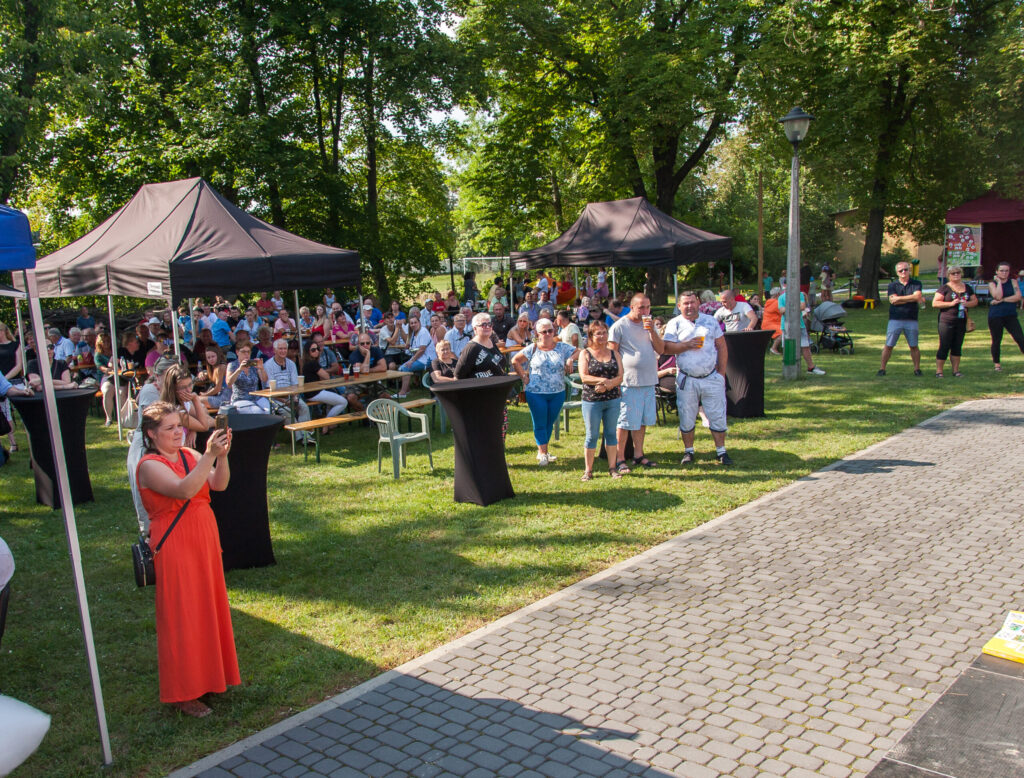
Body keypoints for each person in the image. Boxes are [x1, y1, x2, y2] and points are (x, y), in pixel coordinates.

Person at [135, 401, 239, 717]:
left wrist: (222, 456)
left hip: (204, 539)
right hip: (175, 545)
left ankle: (210, 677)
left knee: (207, 608)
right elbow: (183, 490)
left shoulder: (189, 455)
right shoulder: (149, 465)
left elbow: (219, 484)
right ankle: (184, 691)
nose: (178, 432)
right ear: (151, 434)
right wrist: (208, 455)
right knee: (183, 616)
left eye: (179, 426)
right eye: (169, 428)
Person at [662, 291, 732, 465]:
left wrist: (721, 373)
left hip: (711, 376)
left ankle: (721, 451)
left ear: (698, 302)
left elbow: (722, 346)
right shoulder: (674, 323)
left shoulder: (710, 321)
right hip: (687, 378)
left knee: (717, 414)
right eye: (685, 303)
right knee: (687, 416)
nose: (689, 306)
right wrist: (686, 345)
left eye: (692, 302)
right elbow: (666, 348)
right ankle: (689, 451)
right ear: (679, 306)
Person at [512, 317, 578, 465]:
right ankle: (542, 453)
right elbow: (515, 360)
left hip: (557, 392)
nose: (548, 334)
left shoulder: (562, 347)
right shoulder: (533, 348)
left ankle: (544, 451)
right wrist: (523, 376)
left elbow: (580, 351)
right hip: (536, 392)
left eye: (550, 331)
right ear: (537, 333)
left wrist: (570, 359)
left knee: (549, 422)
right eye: (544, 331)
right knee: (540, 422)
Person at [608, 294, 661, 471]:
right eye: (641, 307)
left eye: (648, 307)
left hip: (648, 380)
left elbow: (661, 349)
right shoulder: (620, 326)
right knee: (625, 422)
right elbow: (612, 355)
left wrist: (652, 331)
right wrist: (615, 380)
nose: (645, 311)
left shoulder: (650, 325)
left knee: (642, 421)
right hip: (629, 382)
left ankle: (639, 455)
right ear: (631, 307)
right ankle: (620, 458)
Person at [128, 356, 179, 533]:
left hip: (162, 444)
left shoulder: (170, 389)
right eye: (171, 376)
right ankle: (149, 535)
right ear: (158, 376)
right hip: (146, 445)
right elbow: (157, 421)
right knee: (146, 494)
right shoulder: (150, 391)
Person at [578, 320, 623, 481]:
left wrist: (608, 385)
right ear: (591, 336)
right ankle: (588, 470)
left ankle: (613, 468)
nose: (602, 336)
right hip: (592, 401)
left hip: (613, 400)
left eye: (604, 332)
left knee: (611, 434)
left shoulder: (614, 353)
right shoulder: (585, 353)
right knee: (592, 435)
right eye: (598, 333)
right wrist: (603, 381)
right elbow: (584, 377)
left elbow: (620, 376)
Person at [878, 261, 924, 376]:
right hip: (895, 319)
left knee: (914, 345)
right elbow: (893, 300)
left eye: (906, 269)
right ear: (897, 272)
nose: (903, 272)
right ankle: (882, 369)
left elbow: (917, 297)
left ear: (909, 270)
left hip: (911, 319)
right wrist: (911, 298)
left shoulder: (916, 283)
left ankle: (917, 369)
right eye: (900, 270)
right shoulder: (892, 285)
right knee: (889, 345)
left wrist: (900, 299)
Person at [264, 338, 313, 442]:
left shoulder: (291, 364)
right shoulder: (268, 365)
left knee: (304, 407)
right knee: (286, 412)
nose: (283, 351)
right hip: (276, 398)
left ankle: (307, 435)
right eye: (280, 349)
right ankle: (299, 438)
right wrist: (285, 401)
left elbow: (295, 384)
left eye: (285, 349)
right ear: (274, 350)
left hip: (291, 395)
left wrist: (294, 398)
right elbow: (269, 390)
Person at [933, 266, 977, 377]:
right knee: (944, 345)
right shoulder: (944, 288)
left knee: (957, 345)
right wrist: (951, 304)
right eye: (953, 273)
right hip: (947, 321)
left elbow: (975, 301)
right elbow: (935, 303)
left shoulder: (967, 287)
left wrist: (966, 304)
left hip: (961, 320)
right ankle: (939, 371)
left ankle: (956, 370)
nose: (956, 275)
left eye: (958, 272)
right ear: (949, 276)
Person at [158, 365, 214, 448]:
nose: (189, 390)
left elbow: (209, 418)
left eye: (190, 384)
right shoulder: (174, 410)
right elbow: (204, 426)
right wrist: (195, 399)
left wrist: (193, 428)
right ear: (173, 389)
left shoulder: (184, 403)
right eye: (183, 387)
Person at [778, 286, 826, 375]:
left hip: (799, 324)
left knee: (805, 346)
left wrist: (788, 308)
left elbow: (802, 306)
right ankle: (789, 369)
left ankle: (811, 367)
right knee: (788, 347)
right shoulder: (781, 297)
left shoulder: (799, 294)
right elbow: (781, 310)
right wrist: (795, 307)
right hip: (786, 326)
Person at [987, 262, 1024, 371]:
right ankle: (997, 364)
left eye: (1006, 271)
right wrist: (999, 283)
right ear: (997, 272)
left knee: (1020, 337)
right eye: (1002, 271)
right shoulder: (992, 284)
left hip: (1010, 315)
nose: (1004, 273)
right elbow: (997, 296)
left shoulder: (1013, 282)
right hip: (996, 316)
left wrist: (1003, 300)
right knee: (997, 340)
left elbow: (1018, 296)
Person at [301, 341, 349, 423]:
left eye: (317, 349)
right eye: (313, 350)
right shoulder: (312, 363)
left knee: (335, 397)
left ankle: (329, 424)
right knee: (343, 402)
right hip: (315, 393)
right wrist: (323, 372)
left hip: (313, 392)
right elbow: (326, 376)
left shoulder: (308, 363)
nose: (316, 351)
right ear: (308, 352)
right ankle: (326, 423)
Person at [455, 313, 507, 379]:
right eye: (483, 325)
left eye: (489, 324)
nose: (487, 327)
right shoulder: (472, 347)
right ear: (475, 329)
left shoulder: (490, 341)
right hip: (482, 384)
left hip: (500, 382)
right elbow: (458, 375)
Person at [394, 315, 433, 398]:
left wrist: (412, 361)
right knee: (400, 368)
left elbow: (422, 349)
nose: (413, 324)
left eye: (415, 322)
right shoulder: (413, 332)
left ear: (419, 323)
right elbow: (407, 343)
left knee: (405, 368)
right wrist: (400, 329)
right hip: (419, 357)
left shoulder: (423, 332)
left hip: (427, 359)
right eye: (411, 323)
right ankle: (407, 389)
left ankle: (402, 393)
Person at [225, 343, 269, 413]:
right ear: (237, 352)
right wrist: (239, 369)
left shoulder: (253, 364)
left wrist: (262, 369)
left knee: (269, 410)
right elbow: (229, 384)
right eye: (243, 352)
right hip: (240, 399)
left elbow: (264, 379)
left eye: (248, 352)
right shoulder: (232, 365)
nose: (246, 354)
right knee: (257, 412)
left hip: (256, 398)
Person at [0, 323, 22, 451]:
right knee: (5, 414)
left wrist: (4, 379)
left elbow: (19, 365)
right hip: (1, 384)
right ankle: (13, 443)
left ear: (3, 331)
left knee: (24, 410)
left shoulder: (15, 345)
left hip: (15, 381)